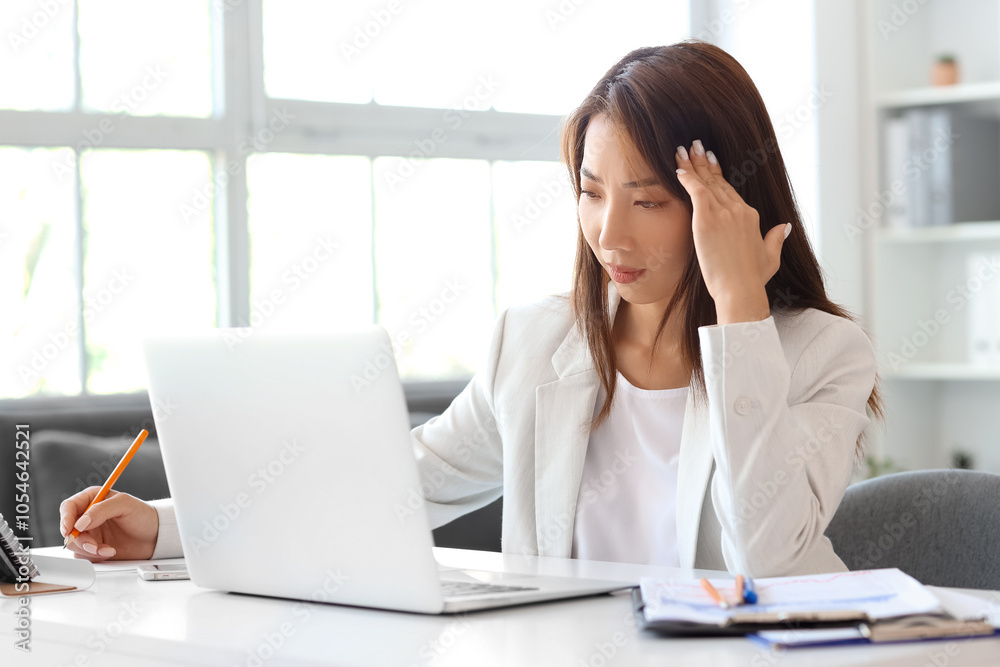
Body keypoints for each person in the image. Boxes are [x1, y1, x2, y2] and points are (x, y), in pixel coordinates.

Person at [60, 41, 880, 577]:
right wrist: (164, 526)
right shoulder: (536, 344)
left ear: (726, 202)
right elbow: (392, 487)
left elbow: (767, 564)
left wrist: (739, 309)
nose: (609, 233)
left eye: (651, 202)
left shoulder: (822, 354)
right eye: (591, 193)